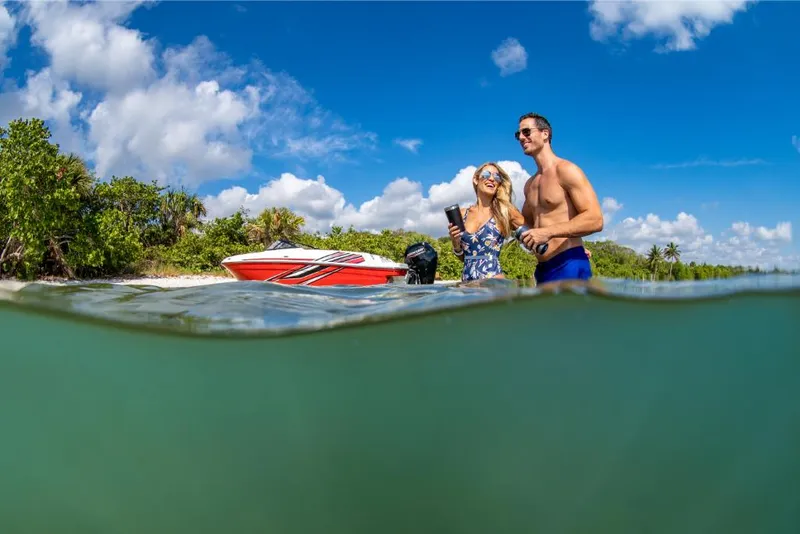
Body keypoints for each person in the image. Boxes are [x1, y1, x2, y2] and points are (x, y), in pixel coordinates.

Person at [514, 112, 603, 285]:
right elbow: (525, 223)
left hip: (569, 263)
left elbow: (595, 219)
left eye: (526, 132)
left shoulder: (566, 170)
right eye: (518, 134)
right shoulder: (530, 184)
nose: (521, 138)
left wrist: (547, 232)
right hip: (543, 269)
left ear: (545, 134)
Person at [447, 162, 524, 282]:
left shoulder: (505, 211)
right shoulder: (462, 214)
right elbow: (465, 258)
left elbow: (533, 235)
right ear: (476, 180)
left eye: (497, 177)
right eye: (487, 174)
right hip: (468, 284)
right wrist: (456, 244)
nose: (492, 179)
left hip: (493, 282)